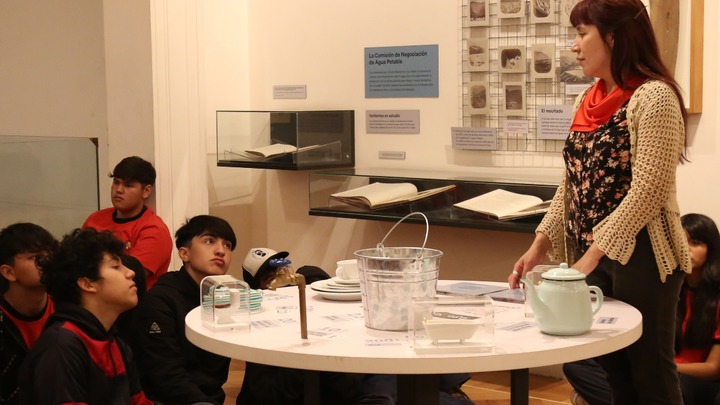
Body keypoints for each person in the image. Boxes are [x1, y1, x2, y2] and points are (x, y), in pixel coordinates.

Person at [508, 1, 691, 404]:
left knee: (651, 374)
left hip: (643, 256)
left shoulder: (655, 97)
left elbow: (649, 191)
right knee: (615, 374)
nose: (574, 46)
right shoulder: (586, 99)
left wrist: (591, 257)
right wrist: (540, 243)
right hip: (591, 253)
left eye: (581, 33)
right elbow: (572, 184)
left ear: (614, 37)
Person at [238, 248, 472, 405]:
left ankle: (444, 389)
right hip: (339, 379)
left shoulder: (309, 281)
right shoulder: (262, 330)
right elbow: (267, 391)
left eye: (283, 268)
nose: (282, 276)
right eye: (270, 277)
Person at [564, 213, 720, 405]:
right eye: (681, 241)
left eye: (695, 243)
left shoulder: (715, 298)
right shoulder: (664, 287)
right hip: (656, 370)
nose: (685, 248)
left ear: (711, 250)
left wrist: (665, 369)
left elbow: (714, 369)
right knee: (578, 364)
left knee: (667, 385)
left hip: (693, 380)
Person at [18, 228, 151, 405]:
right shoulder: (61, 347)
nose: (131, 273)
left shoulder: (115, 342)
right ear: (87, 284)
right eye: (116, 266)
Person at [132, 215, 237, 405]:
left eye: (227, 245)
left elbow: (215, 373)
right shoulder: (160, 300)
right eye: (209, 241)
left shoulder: (222, 296)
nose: (221, 251)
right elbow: (165, 375)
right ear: (184, 253)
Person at [83, 155, 172, 290]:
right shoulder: (95, 219)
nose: (118, 190)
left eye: (128, 185)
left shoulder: (154, 229)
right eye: (116, 182)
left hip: (132, 300)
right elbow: (75, 258)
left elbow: (129, 275)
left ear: (146, 191)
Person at [0, 223, 58, 405]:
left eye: (50, 256)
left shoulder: (67, 306)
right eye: (37, 258)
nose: (47, 263)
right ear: (9, 272)